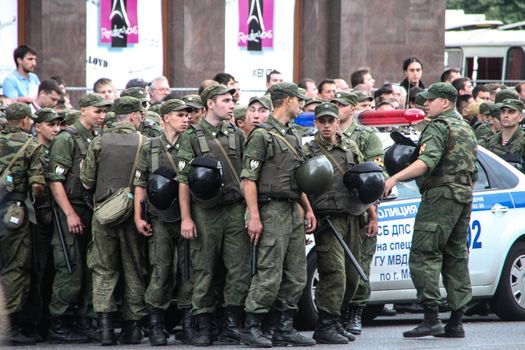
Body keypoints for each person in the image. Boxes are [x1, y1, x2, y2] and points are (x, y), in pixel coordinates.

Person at [383, 82, 478, 338]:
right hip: (463, 196)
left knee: (424, 253)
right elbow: (474, 171)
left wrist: (393, 179)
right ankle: (456, 322)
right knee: (456, 256)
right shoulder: (466, 129)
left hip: (440, 197)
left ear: (445, 103)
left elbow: (426, 162)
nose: (425, 104)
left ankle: (431, 317)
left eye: (430, 100)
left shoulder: (438, 127)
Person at [240, 82, 316, 347]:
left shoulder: (293, 133)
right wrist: (255, 216)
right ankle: (252, 326)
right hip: (270, 209)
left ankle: (284, 326)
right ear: (286, 100)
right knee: (269, 272)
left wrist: (307, 208)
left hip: (292, 207)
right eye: (299, 100)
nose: (302, 105)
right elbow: (248, 179)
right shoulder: (262, 136)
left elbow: (297, 176)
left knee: (297, 273)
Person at [177, 84, 250, 346]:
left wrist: (250, 211)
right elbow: (183, 180)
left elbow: (246, 176)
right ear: (210, 103)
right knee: (204, 267)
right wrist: (186, 217)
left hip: (234, 208)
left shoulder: (236, 134)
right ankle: (203, 322)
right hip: (205, 211)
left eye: (232, 101)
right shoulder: (192, 136)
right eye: (225, 101)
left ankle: (231, 322)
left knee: (238, 267)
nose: (231, 105)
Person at [80, 96, 148, 346]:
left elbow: (87, 181)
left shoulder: (98, 141)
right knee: (134, 270)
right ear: (132, 116)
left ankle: (106, 331)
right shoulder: (146, 142)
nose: (141, 118)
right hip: (135, 216)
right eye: (140, 114)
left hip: (104, 214)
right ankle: (134, 329)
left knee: (103, 270)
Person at [45, 93, 111, 343]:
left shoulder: (95, 137)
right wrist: (70, 213)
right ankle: (58, 321)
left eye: (104, 111)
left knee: (89, 266)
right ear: (83, 110)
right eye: (97, 111)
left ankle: (83, 319)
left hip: (89, 208)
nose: (102, 116)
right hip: (70, 209)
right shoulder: (67, 138)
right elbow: (55, 180)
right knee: (70, 268)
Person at [302, 102, 364, 344]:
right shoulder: (309, 151)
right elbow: (301, 186)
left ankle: (336, 320)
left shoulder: (350, 147)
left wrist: (371, 212)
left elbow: (363, 178)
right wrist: (309, 212)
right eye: (322, 121)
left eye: (331, 121)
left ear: (338, 122)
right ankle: (325, 323)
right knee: (334, 272)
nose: (327, 126)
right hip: (327, 219)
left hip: (352, 216)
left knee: (352, 275)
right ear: (316, 123)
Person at [132, 98, 192, 346]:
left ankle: (188, 323)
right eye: (180, 115)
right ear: (166, 117)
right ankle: (156, 324)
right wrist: (138, 216)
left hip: (186, 218)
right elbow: (139, 183)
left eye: (187, 115)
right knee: (161, 270)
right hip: (159, 219)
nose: (185, 119)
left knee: (189, 270)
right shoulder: (151, 147)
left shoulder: (193, 144)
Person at [333, 91, 383, 335]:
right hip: (334, 208)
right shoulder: (327, 134)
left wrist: (372, 213)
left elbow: (375, 177)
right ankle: (337, 310)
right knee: (335, 264)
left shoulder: (366, 136)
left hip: (361, 209)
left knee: (360, 261)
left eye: (341, 105)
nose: (337, 109)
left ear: (352, 109)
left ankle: (355, 311)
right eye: (334, 104)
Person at [0, 103, 44, 346]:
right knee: (16, 267)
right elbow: (37, 185)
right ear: (26, 121)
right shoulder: (31, 145)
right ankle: (10, 325)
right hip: (13, 215)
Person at [18, 108, 63, 343]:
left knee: (50, 270)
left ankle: (45, 320)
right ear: (38, 126)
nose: (56, 128)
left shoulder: (55, 149)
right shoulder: (32, 149)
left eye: (58, 124)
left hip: (50, 218)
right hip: (35, 218)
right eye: (50, 124)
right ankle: (31, 322)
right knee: (37, 269)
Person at [480, 99, 525, 172]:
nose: (505, 115)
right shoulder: (488, 142)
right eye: (503, 112)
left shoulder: (522, 142)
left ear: (520, 117)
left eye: (511, 112)